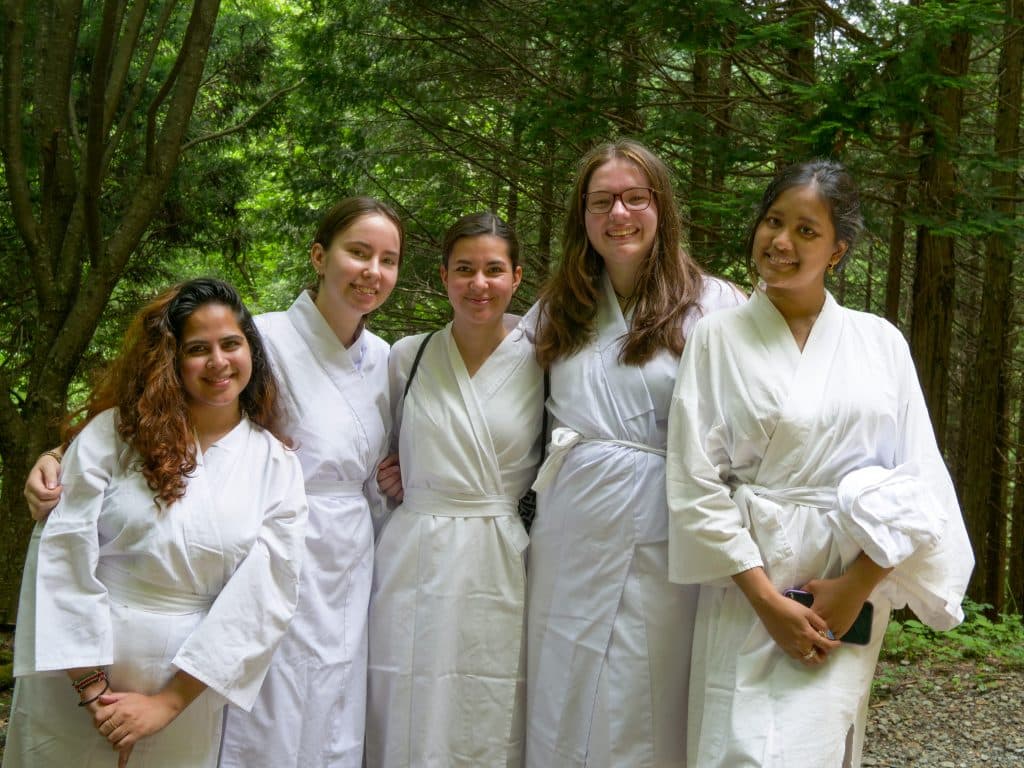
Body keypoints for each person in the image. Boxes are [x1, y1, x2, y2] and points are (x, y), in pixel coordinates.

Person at [23, 196, 403, 767]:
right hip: (223, 554)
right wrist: (59, 455)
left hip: (338, 559)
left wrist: (400, 477)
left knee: (328, 710)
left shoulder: (389, 361)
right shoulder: (262, 336)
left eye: (388, 259)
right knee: (255, 724)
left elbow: (399, 451)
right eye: (358, 252)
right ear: (319, 256)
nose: (372, 271)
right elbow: (145, 397)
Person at [665, 160, 974, 767]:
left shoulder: (880, 342)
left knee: (820, 746)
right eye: (773, 222)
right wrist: (765, 601)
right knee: (737, 747)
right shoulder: (716, 337)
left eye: (807, 231)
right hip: (746, 579)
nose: (781, 242)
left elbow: (919, 479)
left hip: (847, 580)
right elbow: (694, 480)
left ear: (838, 251)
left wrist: (856, 586)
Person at [4, 278, 308, 768]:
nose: (218, 362)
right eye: (196, 348)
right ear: (171, 358)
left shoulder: (277, 466)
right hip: (76, 673)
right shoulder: (114, 435)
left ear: (251, 348)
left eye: (231, 343)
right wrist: (93, 689)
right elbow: (61, 551)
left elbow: (266, 594)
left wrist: (165, 704)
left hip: (184, 688)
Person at [523, 139, 745, 768]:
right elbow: (499, 403)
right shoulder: (557, 309)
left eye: (633, 198)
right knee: (564, 681)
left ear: (660, 207)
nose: (618, 214)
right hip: (571, 529)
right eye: (601, 202)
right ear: (583, 217)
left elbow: (759, 417)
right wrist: (416, 455)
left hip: (667, 526)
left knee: (647, 687)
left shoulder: (717, 306)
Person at [365, 212, 544, 768]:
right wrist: (399, 476)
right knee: (407, 693)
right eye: (464, 269)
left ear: (516, 279)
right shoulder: (407, 356)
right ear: (443, 276)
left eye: (494, 270)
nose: (478, 284)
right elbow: (380, 448)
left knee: (488, 699)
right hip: (413, 552)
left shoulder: (543, 357)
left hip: (499, 556)